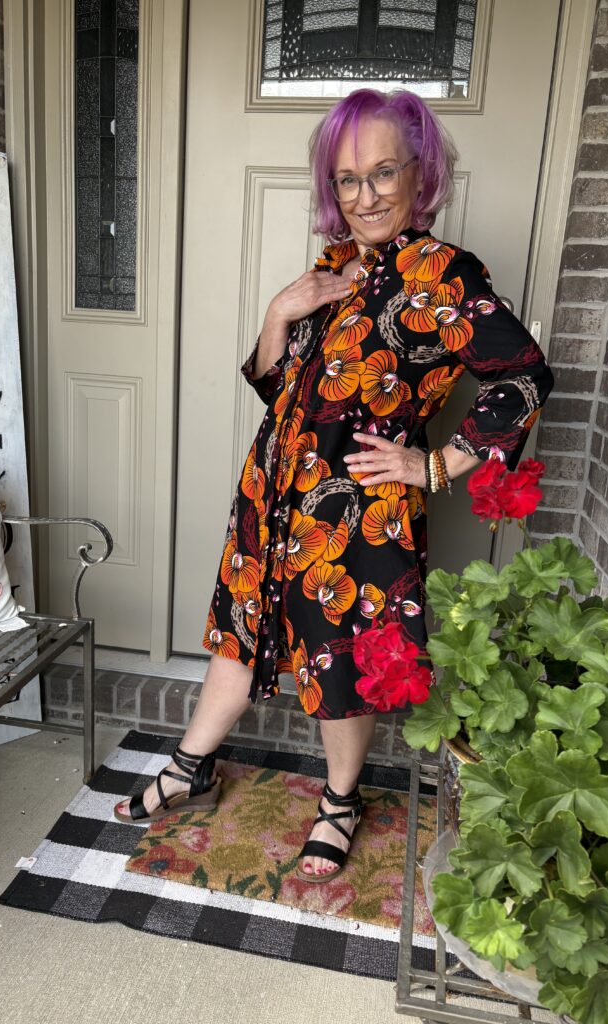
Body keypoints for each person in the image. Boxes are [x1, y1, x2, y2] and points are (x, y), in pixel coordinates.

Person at [114, 88, 554, 881]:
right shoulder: (334, 270)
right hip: (272, 498)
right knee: (241, 630)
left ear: (421, 173)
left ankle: (340, 803)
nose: (366, 195)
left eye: (383, 172)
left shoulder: (440, 274)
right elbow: (283, 391)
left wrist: (433, 465)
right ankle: (191, 765)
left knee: (339, 663)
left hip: (355, 514)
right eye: (347, 179)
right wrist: (279, 313)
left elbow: (524, 373)